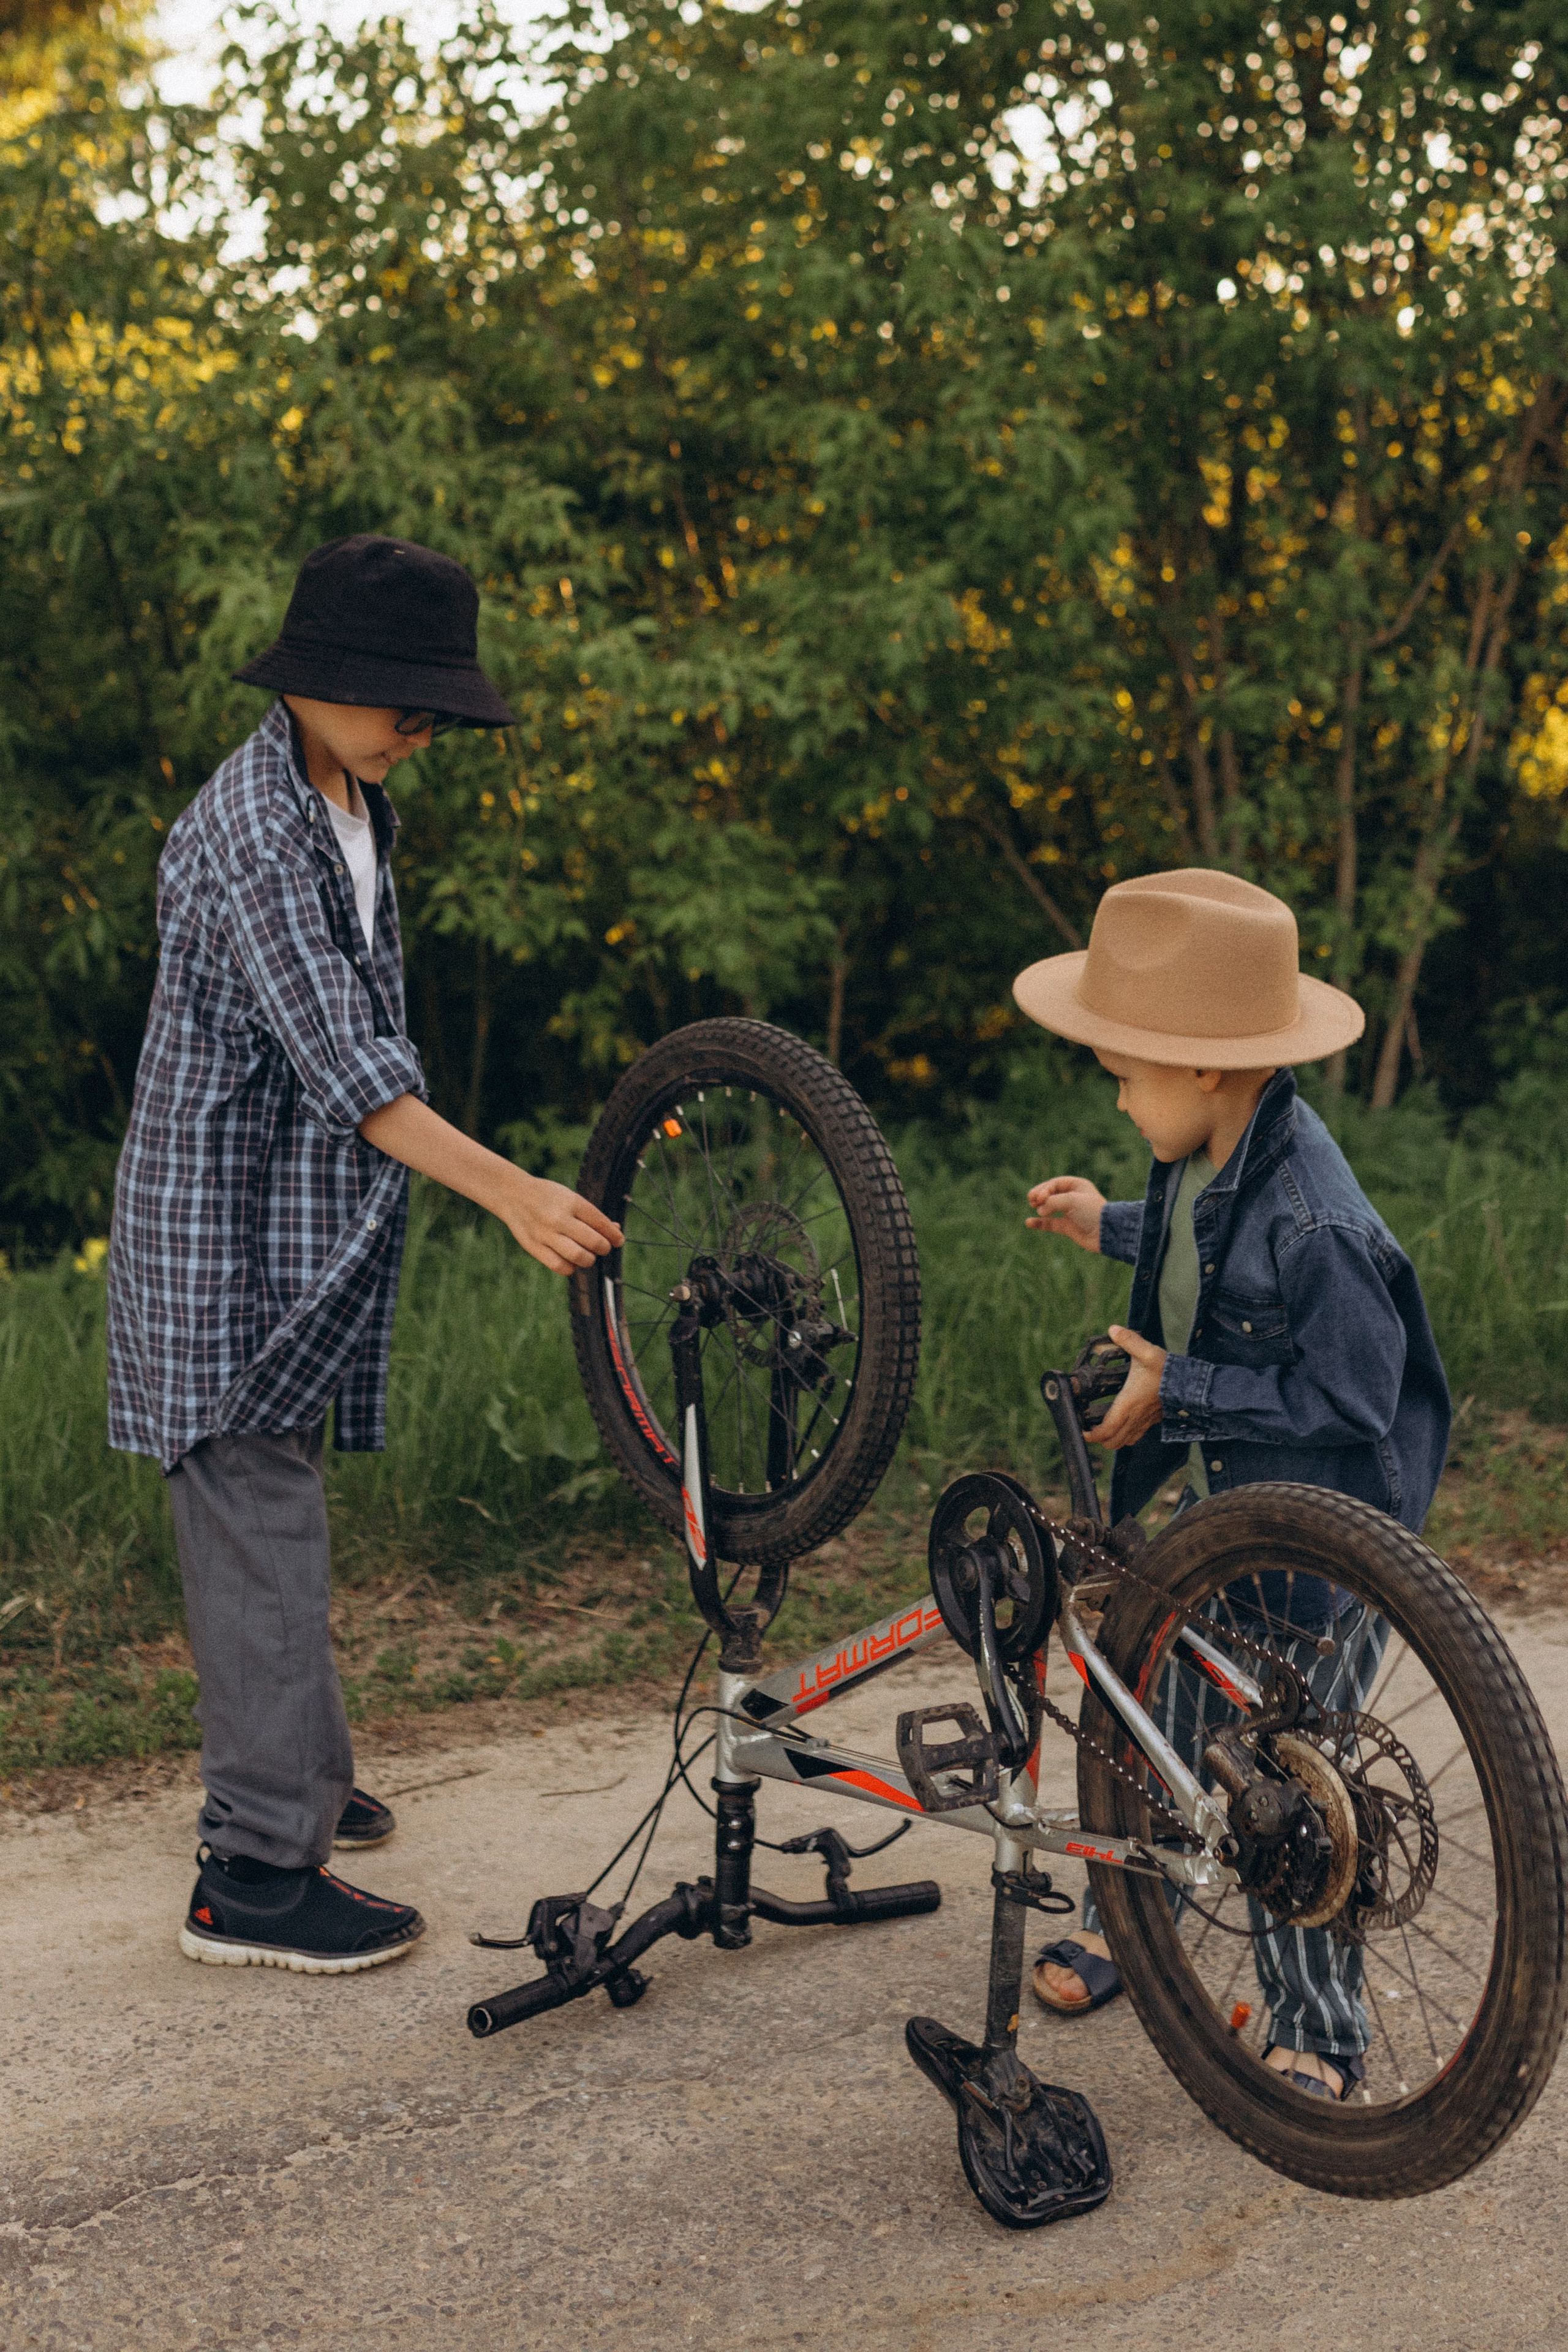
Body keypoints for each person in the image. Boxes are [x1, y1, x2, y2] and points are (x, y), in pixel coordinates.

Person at [107, 535, 622, 1976]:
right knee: (259, 1538)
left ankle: (301, 1784)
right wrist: (513, 1192)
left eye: (433, 705)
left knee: (280, 1524)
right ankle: (255, 1875)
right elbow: (351, 1070)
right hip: (215, 1244)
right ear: (319, 682)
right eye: (401, 698)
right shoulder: (250, 837)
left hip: (292, 1241)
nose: (421, 727)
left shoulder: (342, 795)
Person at [1011, 867, 1450, 2095]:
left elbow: (1353, 1404)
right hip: (1228, 1523)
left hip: (1329, 1558)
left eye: (1124, 1070)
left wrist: (1182, 1391)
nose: (1112, 1091)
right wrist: (1105, 1220)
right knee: (1155, 1720)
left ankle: (1315, 2030)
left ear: (1205, 1066)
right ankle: (1135, 1922)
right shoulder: (1203, 1150)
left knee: (1284, 1795)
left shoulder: (1317, 1224)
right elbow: (1189, 1243)